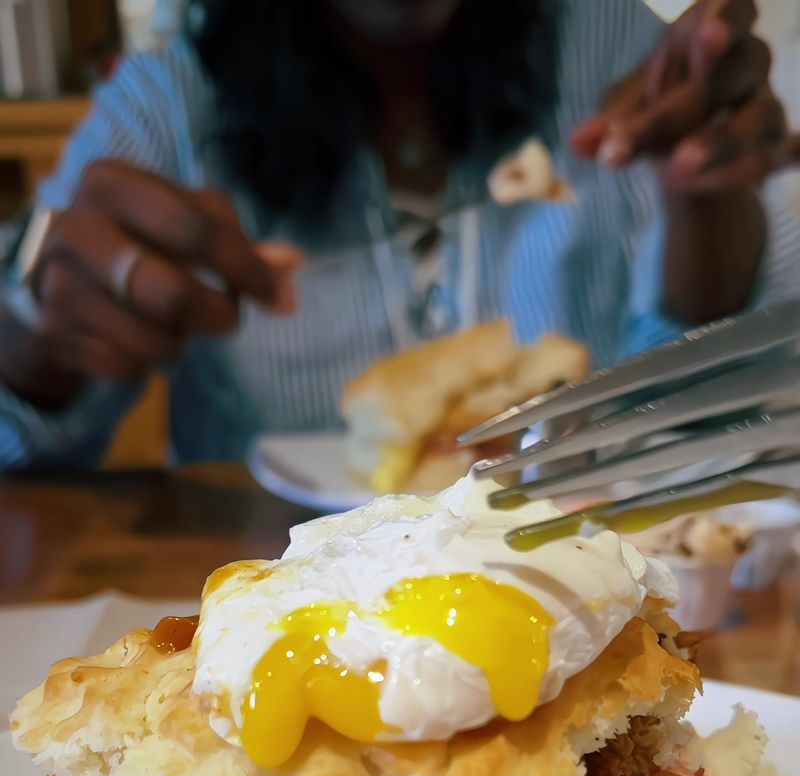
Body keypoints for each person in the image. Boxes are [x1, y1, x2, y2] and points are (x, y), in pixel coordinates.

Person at [0, 0, 798, 470]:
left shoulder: (623, 52)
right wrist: (34, 346)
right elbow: (22, 447)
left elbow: (700, 415)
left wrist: (707, 202)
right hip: (265, 595)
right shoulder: (165, 105)